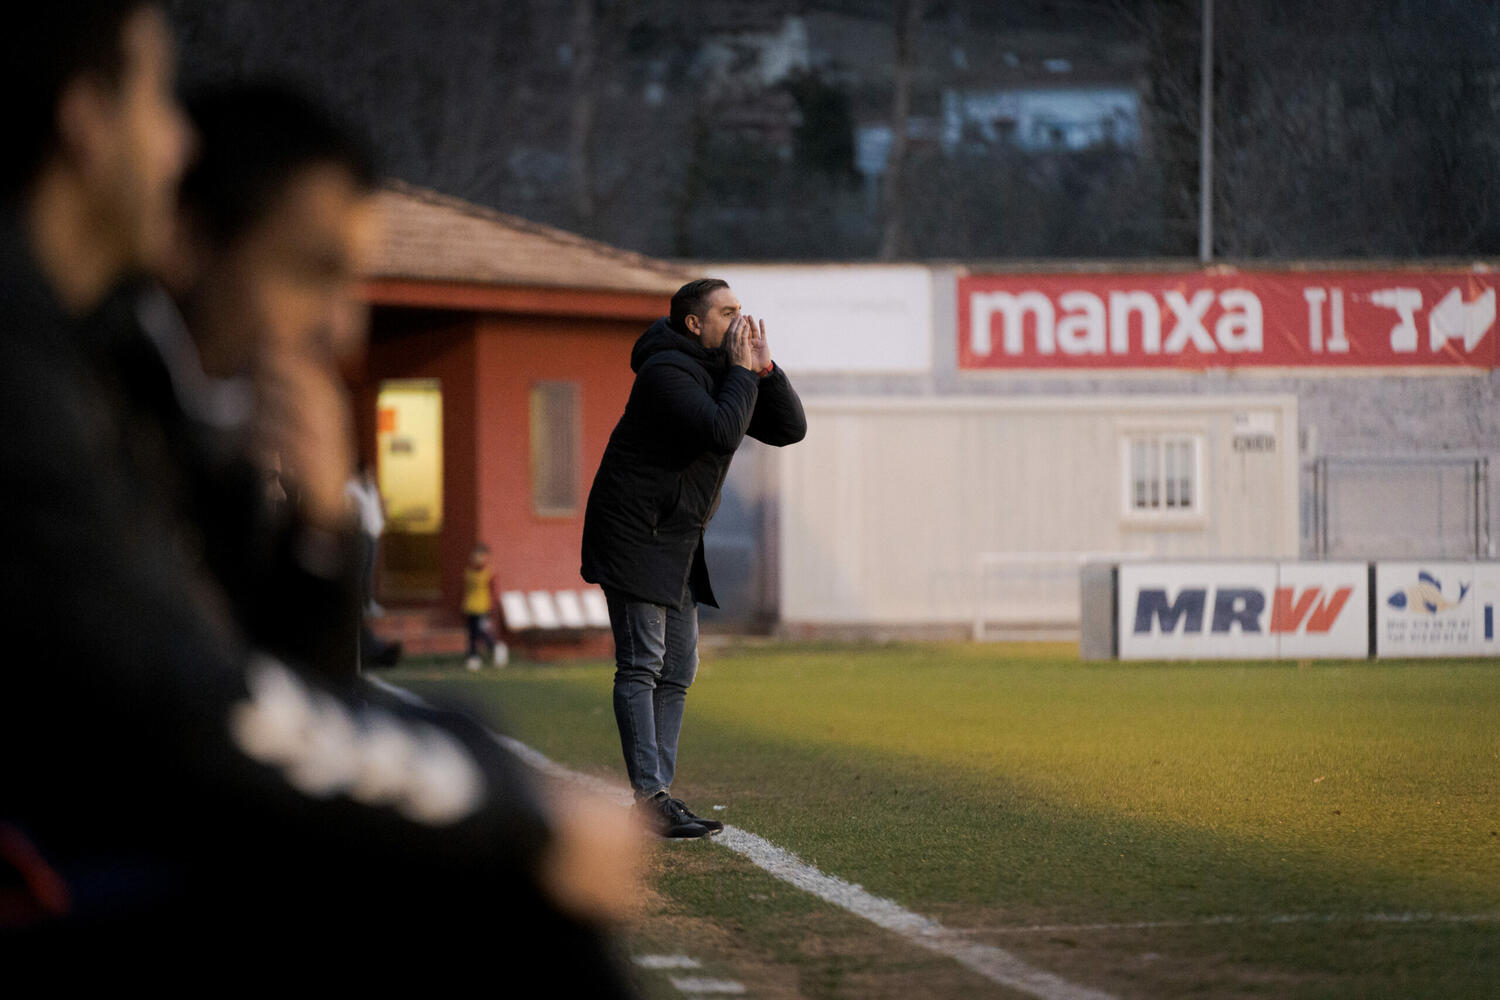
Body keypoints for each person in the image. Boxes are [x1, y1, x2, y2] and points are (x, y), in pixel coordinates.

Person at [0, 5, 642, 984]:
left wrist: (321, 537)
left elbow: (277, 690)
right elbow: (190, 709)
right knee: (511, 903)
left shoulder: (132, 396)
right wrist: (509, 802)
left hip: (106, 843)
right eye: (156, 99)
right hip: (60, 870)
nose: (176, 143)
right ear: (87, 119)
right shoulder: (44, 373)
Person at [581, 278, 807, 838]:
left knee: (679, 668)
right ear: (694, 323)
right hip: (635, 534)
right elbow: (722, 431)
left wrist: (765, 370)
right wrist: (742, 374)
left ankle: (656, 797)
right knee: (643, 663)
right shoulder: (665, 372)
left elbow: (789, 428)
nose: (740, 320)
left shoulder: (721, 369)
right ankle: (650, 798)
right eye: (727, 312)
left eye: (740, 309)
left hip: (677, 538)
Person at [463, 542, 508, 670]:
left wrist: (493, 606)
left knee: (482, 632)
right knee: (472, 634)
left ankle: (496, 647)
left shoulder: (489, 573)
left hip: (483, 608)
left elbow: (494, 591)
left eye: (480, 555)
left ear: (486, 557)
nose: (477, 558)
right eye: (475, 555)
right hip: (469, 607)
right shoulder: (468, 572)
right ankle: (473, 657)